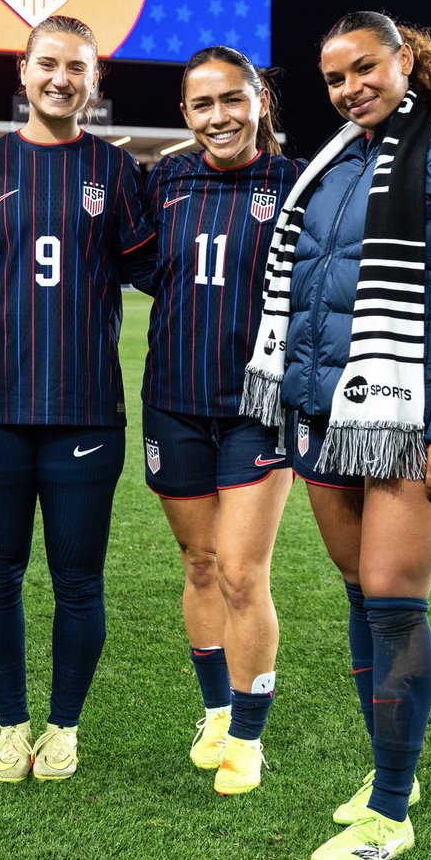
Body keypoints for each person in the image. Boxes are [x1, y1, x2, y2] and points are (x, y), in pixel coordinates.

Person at [241, 11, 431, 860]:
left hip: (416, 424)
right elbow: (311, 296)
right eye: (335, 79)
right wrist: (296, 401)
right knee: (359, 596)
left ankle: (388, 816)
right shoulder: (338, 162)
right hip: (329, 416)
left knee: (392, 598)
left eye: (365, 68)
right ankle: (393, 776)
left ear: (406, 59)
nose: (350, 89)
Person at [0, 14, 155, 783]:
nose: (60, 79)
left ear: (94, 80)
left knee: (78, 583)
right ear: (23, 70)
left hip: (85, 410)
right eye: (48, 64)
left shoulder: (117, 171)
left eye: (76, 67)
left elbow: (156, 273)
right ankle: (11, 727)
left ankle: (64, 726)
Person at [140, 46, 306, 795]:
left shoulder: (297, 182)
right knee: (200, 563)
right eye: (203, 104)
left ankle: (247, 737)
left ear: (259, 101)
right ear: (185, 113)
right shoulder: (165, 180)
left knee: (242, 572)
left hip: (257, 410)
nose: (219, 116)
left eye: (233, 99)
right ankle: (215, 712)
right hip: (173, 401)